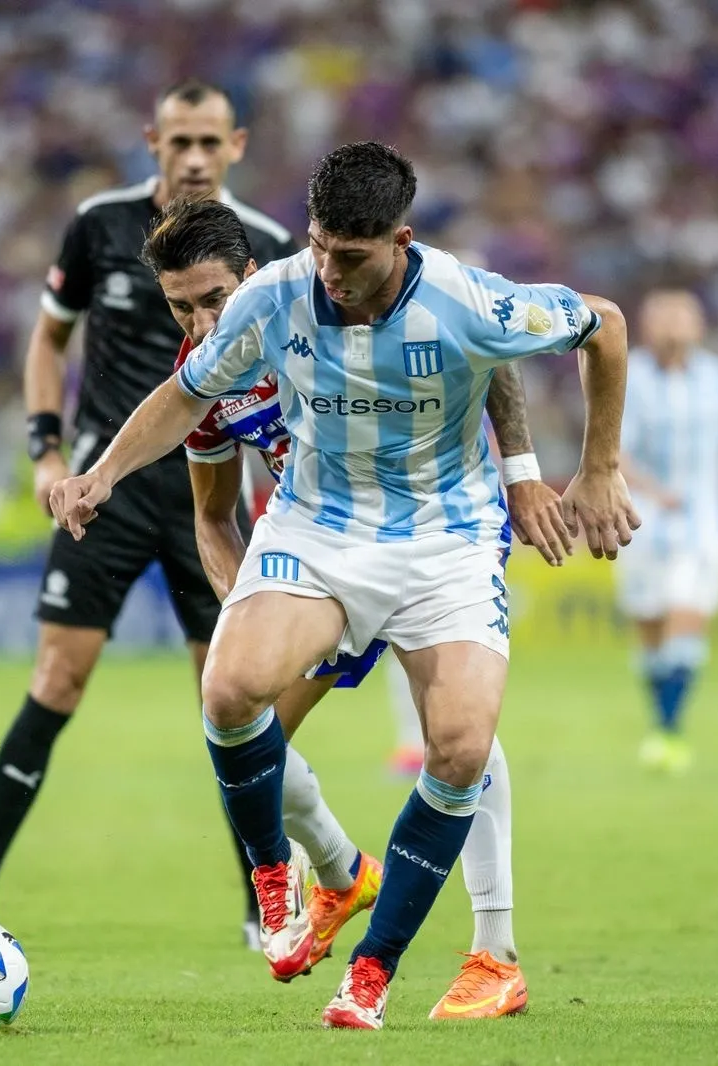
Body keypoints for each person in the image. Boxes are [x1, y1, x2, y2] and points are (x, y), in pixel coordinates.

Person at [51, 142, 638, 1029]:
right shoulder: (270, 299)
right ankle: (304, 874)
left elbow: (590, 328)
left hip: (441, 538)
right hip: (318, 528)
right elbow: (188, 414)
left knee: (463, 746)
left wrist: (584, 469)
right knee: (233, 697)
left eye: (349, 256)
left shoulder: (464, 298)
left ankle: (443, 957)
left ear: (399, 240)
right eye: (318, 245)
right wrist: (100, 474)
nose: (326, 270)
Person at [142, 196, 579, 1018]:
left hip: (427, 530)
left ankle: (494, 946)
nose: (202, 323)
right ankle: (343, 874)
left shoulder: (332, 305)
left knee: (458, 733)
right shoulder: (211, 369)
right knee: (245, 716)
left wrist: (521, 471)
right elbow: (211, 516)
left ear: (249, 276)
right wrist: (254, 601)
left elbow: (491, 351)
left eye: (211, 302)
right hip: (320, 552)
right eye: (182, 308)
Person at [0, 79, 296, 950]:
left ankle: (265, 905)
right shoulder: (99, 223)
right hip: (108, 488)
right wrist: (47, 452)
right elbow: (47, 339)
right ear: (153, 139)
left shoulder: (273, 247)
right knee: (56, 680)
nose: (192, 158)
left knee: (231, 697)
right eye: (178, 141)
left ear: (237, 146)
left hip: (209, 497)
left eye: (209, 143)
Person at [614, 290, 718, 774]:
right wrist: (653, 489)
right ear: (647, 326)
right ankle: (662, 721)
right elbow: (612, 448)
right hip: (641, 518)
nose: (673, 325)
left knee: (686, 620)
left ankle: (669, 731)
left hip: (704, 522)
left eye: (682, 316)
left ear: (700, 325)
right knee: (650, 627)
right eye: (663, 316)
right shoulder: (627, 375)